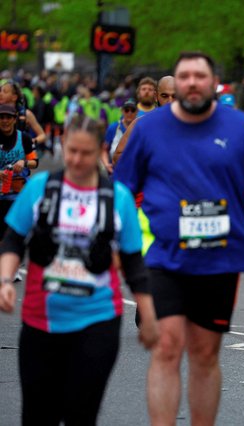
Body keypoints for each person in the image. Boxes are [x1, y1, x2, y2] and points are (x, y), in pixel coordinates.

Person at [113, 51, 244, 424]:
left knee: (205, 354)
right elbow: (121, 193)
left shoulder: (241, 129)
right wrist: (115, 247)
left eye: (199, 76)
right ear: (174, 83)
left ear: (213, 83)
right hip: (163, 257)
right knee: (167, 347)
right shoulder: (148, 129)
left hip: (220, 258)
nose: (192, 82)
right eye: (185, 76)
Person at [0, 115, 158, 425]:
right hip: (41, 320)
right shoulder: (40, 190)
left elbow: (133, 262)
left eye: (86, 153)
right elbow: (13, 241)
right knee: (37, 413)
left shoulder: (118, 198)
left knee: (81, 414)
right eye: (71, 151)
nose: (77, 160)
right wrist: (6, 278)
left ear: (99, 150)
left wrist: (149, 312)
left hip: (97, 320)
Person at [111, 75, 175, 167]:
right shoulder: (140, 124)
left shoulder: (192, 126)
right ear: (156, 96)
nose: (170, 101)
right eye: (164, 96)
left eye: (175, 96)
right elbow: (117, 157)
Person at [0, 104, 38, 238]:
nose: (5, 121)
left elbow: (35, 162)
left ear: (15, 119)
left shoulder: (24, 138)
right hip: (1, 194)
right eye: (1, 117)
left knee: (16, 234)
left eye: (8, 117)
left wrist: (24, 162)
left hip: (18, 195)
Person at [0, 81, 47, 148]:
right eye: (0, 91)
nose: (0, 94)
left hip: (20, 156)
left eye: (5, 92)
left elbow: (42, 135)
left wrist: (31, 142)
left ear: (14, 97)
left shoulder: (26, 114)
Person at [102, 98, 138, 174]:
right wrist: (106, 164)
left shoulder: (140, 128)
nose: (129, 113)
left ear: (137, 112)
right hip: (114, 170)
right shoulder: (113, 128)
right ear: (122, 111)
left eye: (132, 110)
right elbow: (104, 149)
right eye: (126, 110)